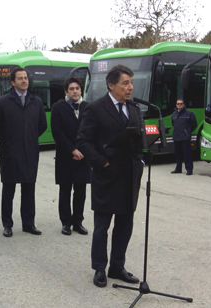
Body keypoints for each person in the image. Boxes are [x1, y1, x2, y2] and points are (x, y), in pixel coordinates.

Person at [77, 65, 144, 288]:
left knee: (125, 225)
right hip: (106, 176)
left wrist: (141, 158)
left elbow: (139, 139)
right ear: (111, 85)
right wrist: (102, 162)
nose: (130, 87)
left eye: (131, 82)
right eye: (125, 83)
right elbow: (83, 141)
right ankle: (99, 268)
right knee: (101, 227)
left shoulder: (134, 108)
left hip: (129, 177)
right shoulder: (96, 109)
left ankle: (117, 266)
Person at [0, 67, 47, 237]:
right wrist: (7, 141)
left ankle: (28, 223)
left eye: (25, 78)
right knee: (9, 190)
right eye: (20, 78)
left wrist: (29, 138)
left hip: (30, 152)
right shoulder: (2, 102)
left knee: (29, 190)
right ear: (12, 82)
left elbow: (42, 126)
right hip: (10, 153)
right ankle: (7, 225)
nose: (24, 81)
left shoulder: (36, 101)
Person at [51, 77, 91, 236]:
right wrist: (72, 150)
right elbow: (57, 132)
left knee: (80, 191)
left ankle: (78, 222)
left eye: (77, 89)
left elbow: (90, 131)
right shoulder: (58, 107)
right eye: (71, 89)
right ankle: (65, 222)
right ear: (66, 91)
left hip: (83, 156)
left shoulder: (88, 107)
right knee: (65, 191)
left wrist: (82, 151)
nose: (75, 91)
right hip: (65, 156)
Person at [171, 98, 197, 175]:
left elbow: (194, 124)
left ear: (184, 104)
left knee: (187, 155)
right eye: (178, 104)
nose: (179, 105)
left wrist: (188, 132)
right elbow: (173, 124)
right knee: (178, 154)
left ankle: (189, 169)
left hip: (185, 138)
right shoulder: (174, 114)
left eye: (181, 104)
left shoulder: (189, 114)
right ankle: (178, 169)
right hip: (176, 137)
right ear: (176, 105)